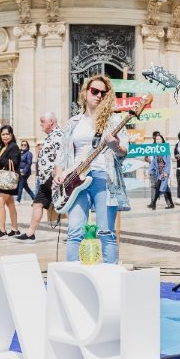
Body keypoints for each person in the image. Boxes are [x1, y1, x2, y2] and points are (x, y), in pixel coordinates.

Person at [54, 75, 130, 263]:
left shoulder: (113, 121)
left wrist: (115, 146)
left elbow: (123, 151)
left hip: (104, 178)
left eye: (103, 93)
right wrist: (59, 176)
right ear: (85, 92)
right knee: (74, 232)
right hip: (76, 180)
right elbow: (62, 155)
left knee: (106, 232)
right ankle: (71, 279)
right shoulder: (74, 122)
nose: (98, 95)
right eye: (94, 91)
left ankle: (110, 279)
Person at [18, 113, 63, 241]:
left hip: (53, 178)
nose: (40, 124)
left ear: (52, 122)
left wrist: (57, 174)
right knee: (37, 204)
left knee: (67, 204)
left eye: (43, 121)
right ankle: (30, 233)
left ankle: (75, 232)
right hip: (45, 179)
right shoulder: (50, 136)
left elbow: (61, 156)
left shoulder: (59, 135)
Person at [0, 125, 21, 238]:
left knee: (0, 202)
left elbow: (14, 162)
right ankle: (15, 229)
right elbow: (0, 163)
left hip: (8, 179)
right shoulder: (3, 147)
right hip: (3, 180)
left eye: (7, 134)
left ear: (11, 135)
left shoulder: (14, 147)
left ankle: (2, 231)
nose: (5, 136)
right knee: (10, 203)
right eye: (3, 134)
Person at [147, 131, 174, 209]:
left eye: (159, 139)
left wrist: (166, 172)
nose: (158, 140)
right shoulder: (155, 149)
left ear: (162, 140)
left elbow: (168, 162)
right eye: (156, 139)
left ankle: (154, 204)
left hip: (164, 172)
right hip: (158, 172)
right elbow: (153, 161)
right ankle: (171, 204)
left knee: (158, 186)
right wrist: (151, 170)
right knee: (165, 188)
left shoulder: (166, 149)